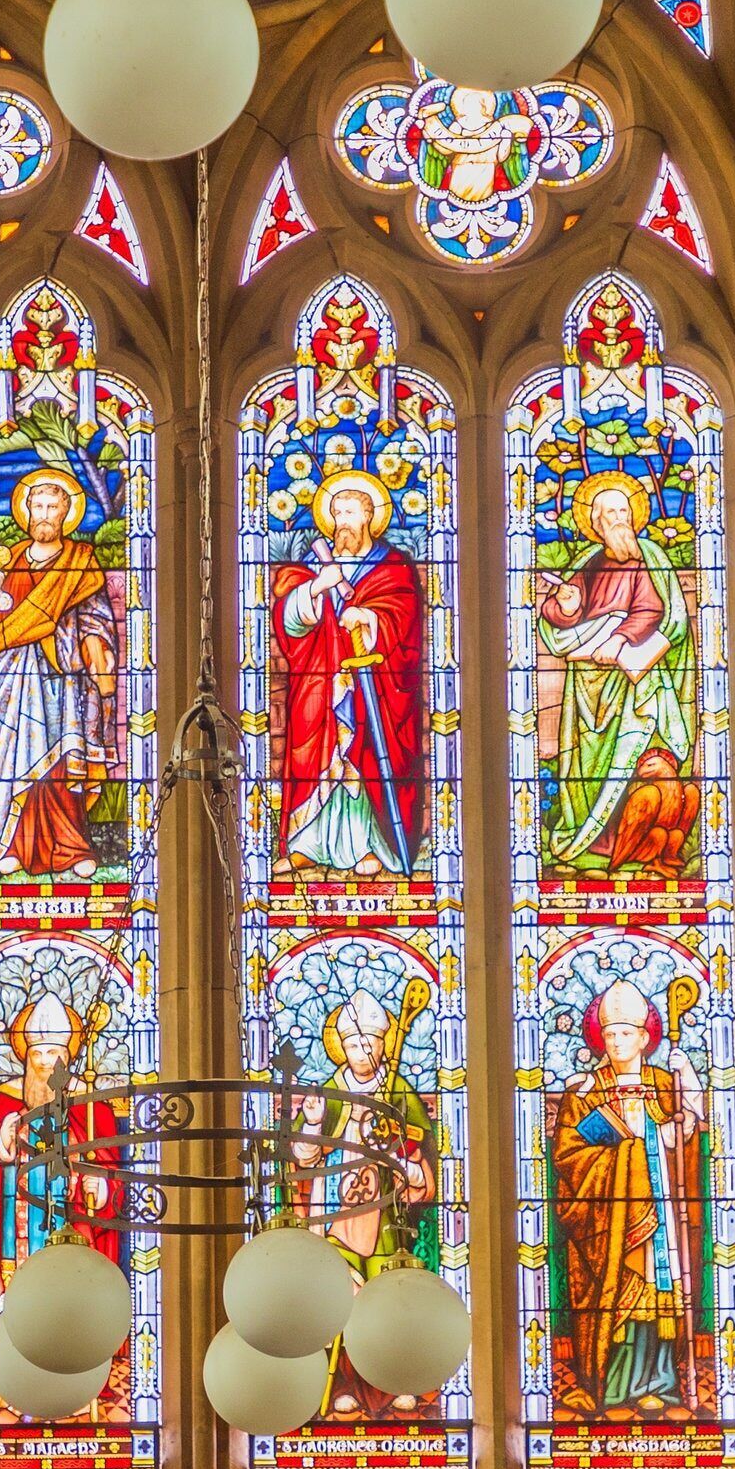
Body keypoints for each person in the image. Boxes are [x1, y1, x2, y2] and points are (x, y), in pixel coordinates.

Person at [544, 976, 711, 1415]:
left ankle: (661, 1378)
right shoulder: (586, 1090)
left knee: (660, 1290)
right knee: (621, 1291)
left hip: (660, 1212)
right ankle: (614, 1383)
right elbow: (568, 1154)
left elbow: (685, 1136)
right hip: (609, 1218)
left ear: (644, 1038)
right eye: (610, 1034)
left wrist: (681, 1117)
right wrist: (622, 1154)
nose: (617, 1041)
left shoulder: (662, 1081)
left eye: (626, 1034)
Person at [0, 467, 126, 878]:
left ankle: (71, 846)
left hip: (63, 675)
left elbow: (96, 616)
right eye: (39, 506)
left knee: (61, 761)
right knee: (12, 759)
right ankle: (10, 842)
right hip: (11, 675)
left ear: (66, 514)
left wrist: (97, 648)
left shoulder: (80, 560)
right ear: (27, 512)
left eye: (54, 507)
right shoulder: (10, 559)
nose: (46, 514)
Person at [287, 979, 442, 1419]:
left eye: (370, 1042)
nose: (362, 1051)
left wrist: (407, 1166)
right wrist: (314, 1124)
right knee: (341, 1297)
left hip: (387, 1218)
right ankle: (344, 1385)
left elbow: (421, 1163)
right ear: (341, 1048)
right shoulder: (327, 1095)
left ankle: (394, 1385)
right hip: (334, 1213)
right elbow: (302, 1156)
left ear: (381, 1045)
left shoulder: (399, 1094)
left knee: (387, 1297)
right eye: (353, 1043)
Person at [532, 473, 698, 875]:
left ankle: (637, 847)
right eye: (609, 513)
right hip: (587, 684)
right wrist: (568, 604)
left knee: (630, 761)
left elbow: (657, 611)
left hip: (631, 681)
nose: (618, 518)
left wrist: (621, 638)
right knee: (587, 768)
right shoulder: (588, 563)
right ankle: (591, 842)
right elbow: (557, 615)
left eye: (624, 510)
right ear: (596, 521)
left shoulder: (649, 558)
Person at [0, 990, 123, 1405]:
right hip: (13, 1221)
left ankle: (80, 1369)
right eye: (39, 1053)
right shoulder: (7, 1098)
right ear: (25, 1055)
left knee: (73, 1298)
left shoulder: (88, 1104)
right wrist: (0, 1143)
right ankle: (13, 1369)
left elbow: (107, 1164)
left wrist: (99, 1184)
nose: (47, 1062)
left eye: (55, 1052)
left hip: (72, 1221)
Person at [269, 469, 429, 878]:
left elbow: (404, 617)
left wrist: (371, 619)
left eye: (351, 512)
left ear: (370, 516)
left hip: (375, 683)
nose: (342, 522)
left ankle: (371, 845)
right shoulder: (312, 565)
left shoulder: (392, 567)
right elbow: (288, 621)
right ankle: (308, 842)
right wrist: (316, 588)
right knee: (316, 757)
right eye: (336, 513)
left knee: (365, 754)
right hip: (320, 683)